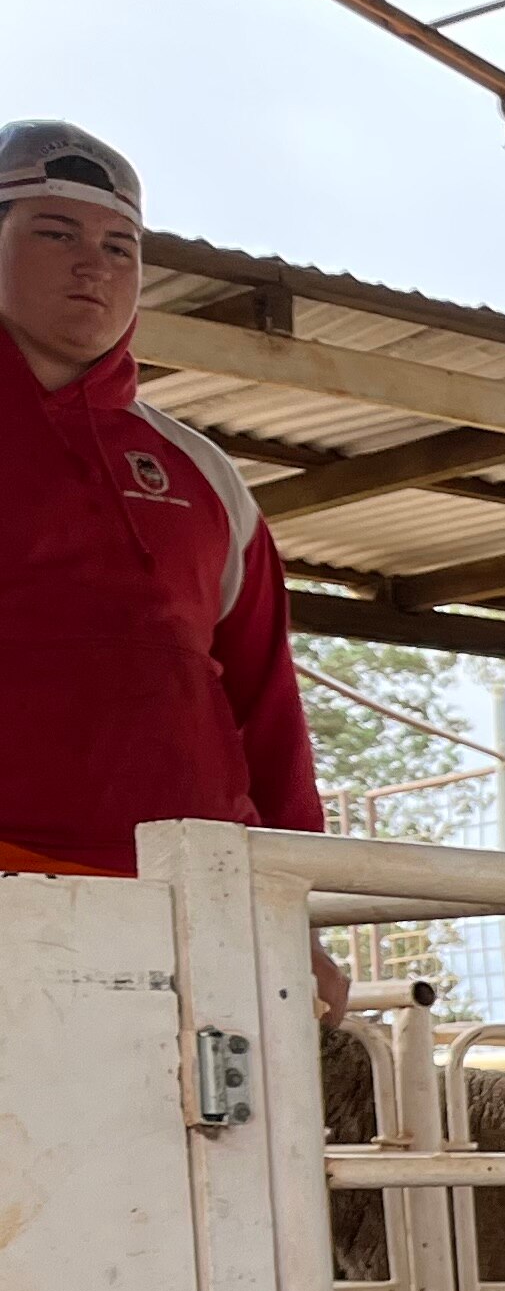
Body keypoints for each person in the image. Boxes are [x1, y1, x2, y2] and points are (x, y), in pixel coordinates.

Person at [1, 118, 342, 1015]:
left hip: (197, 905)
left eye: (121, 246)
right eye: (54, 233)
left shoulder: (203, 474)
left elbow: (268, 709)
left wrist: (294, 914)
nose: (95, 266)